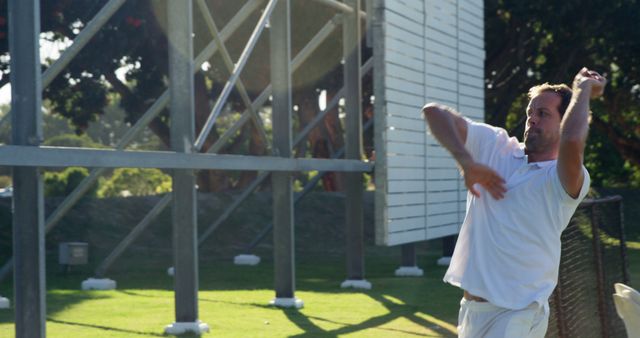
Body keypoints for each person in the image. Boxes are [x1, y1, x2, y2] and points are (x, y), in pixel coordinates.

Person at [422, 67, 607, 337]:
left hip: (518, 314)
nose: (532, 120)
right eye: (530, 113)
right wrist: (466, 161)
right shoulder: (495, 146)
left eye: (543, 114)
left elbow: (573, 140)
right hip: (472, 312)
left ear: (563, 120)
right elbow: (433, 112)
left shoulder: (562, 178)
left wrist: (583, 89)